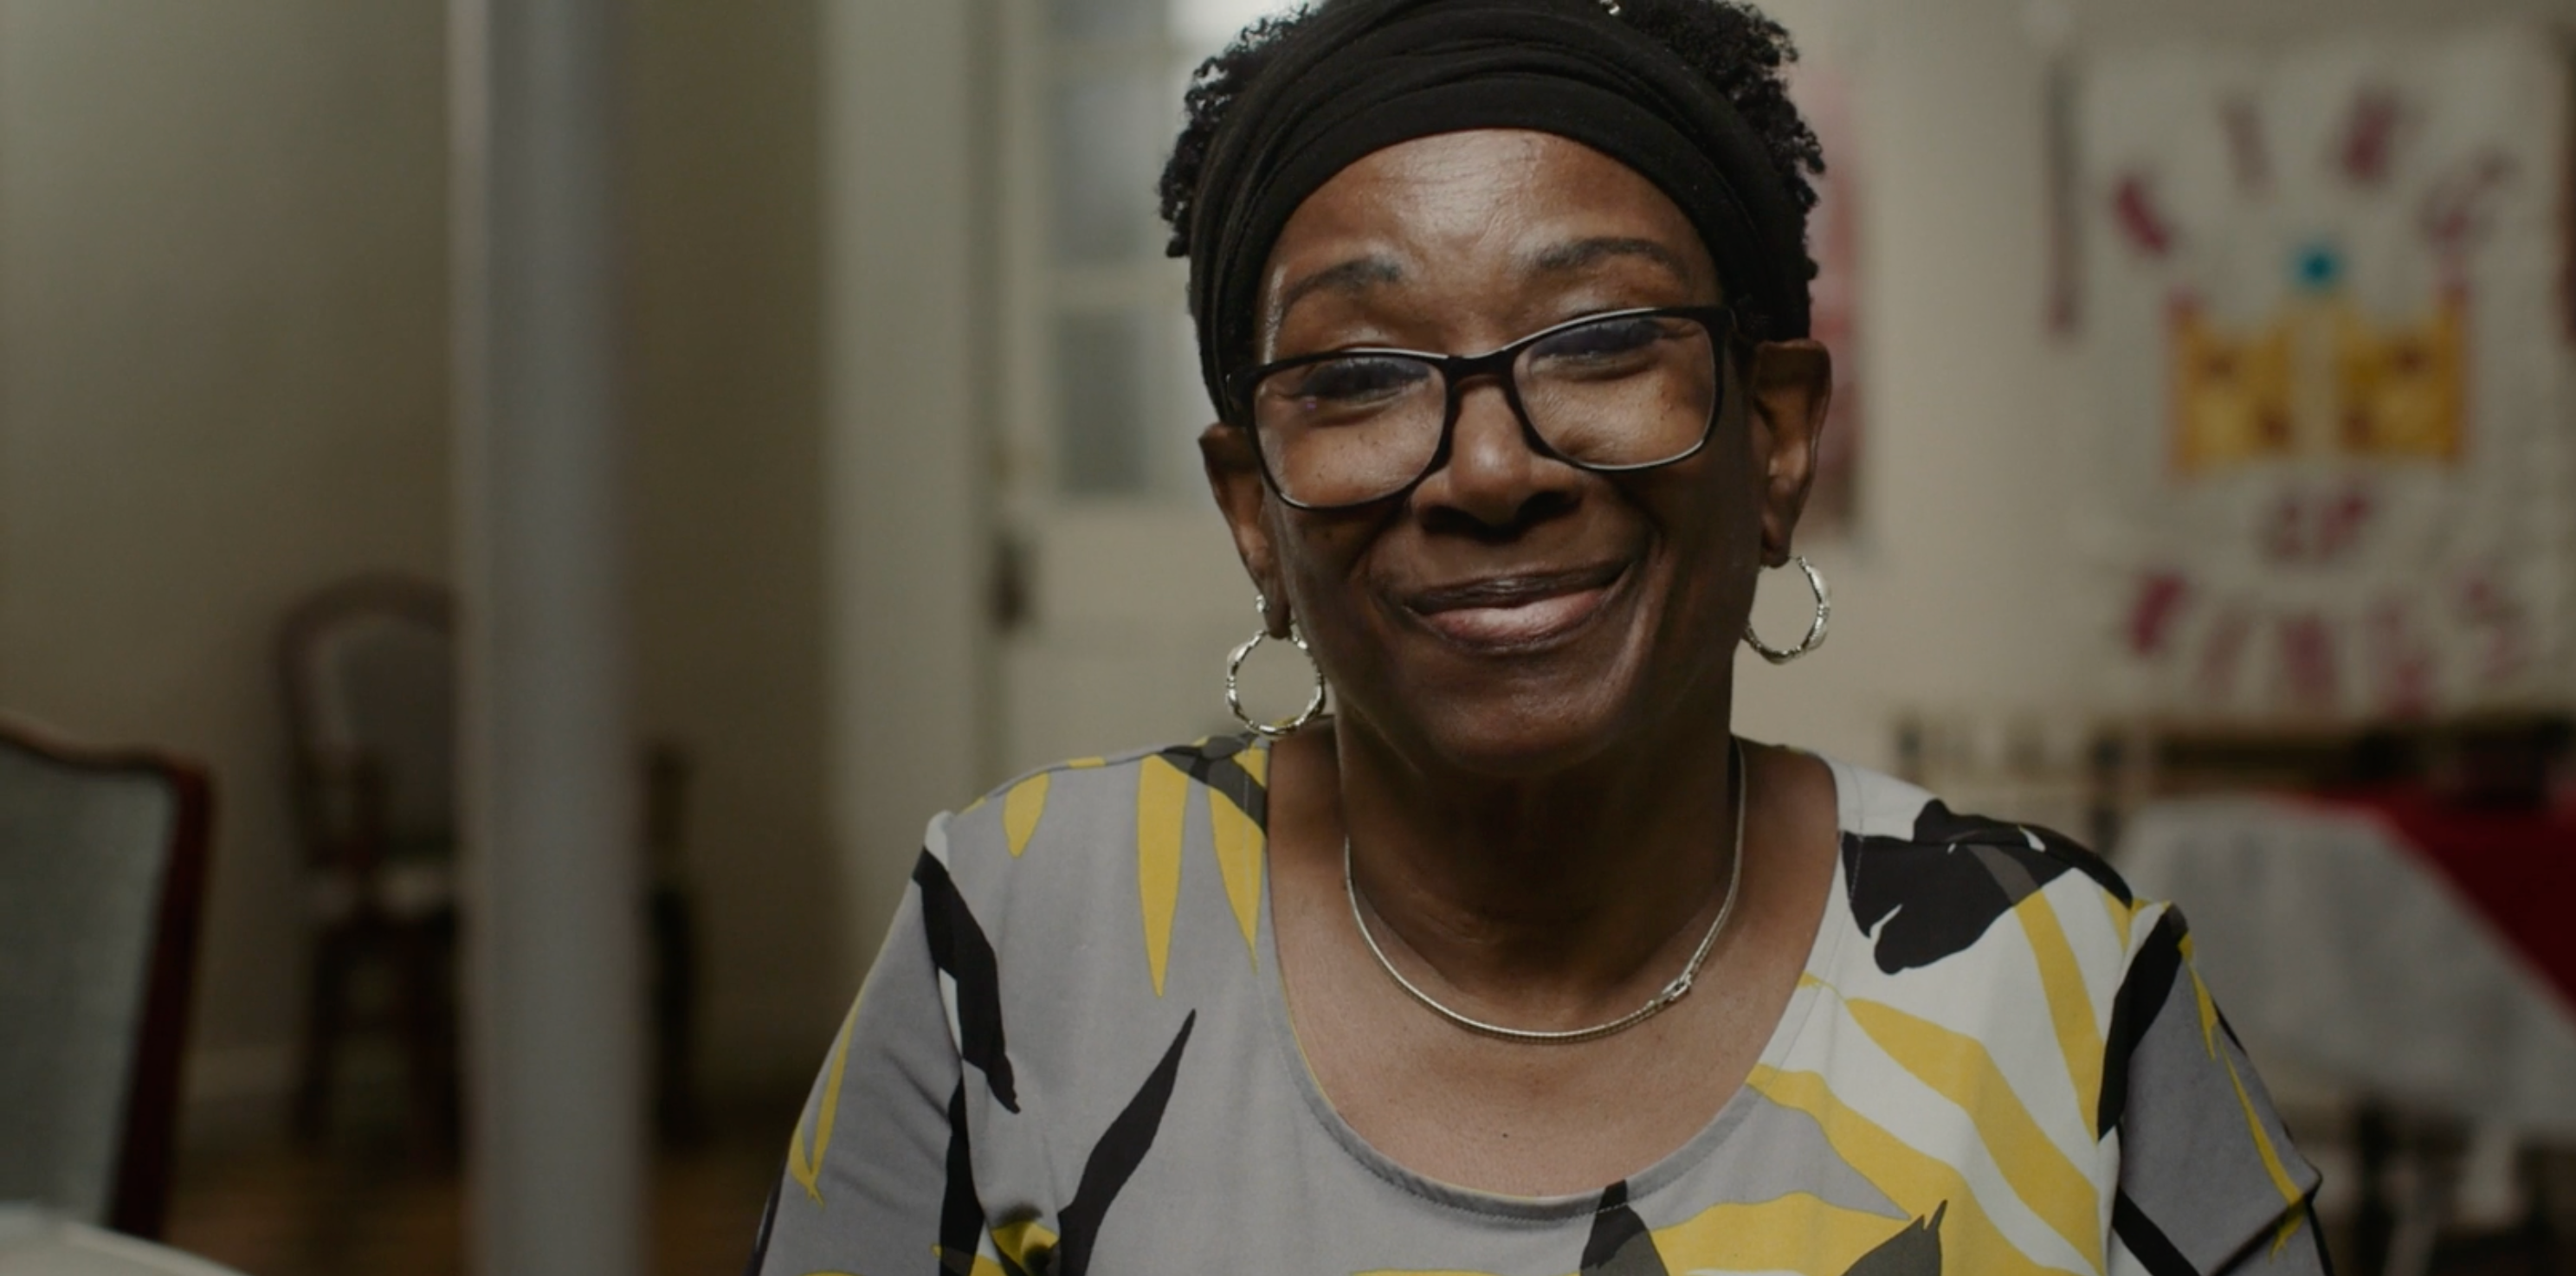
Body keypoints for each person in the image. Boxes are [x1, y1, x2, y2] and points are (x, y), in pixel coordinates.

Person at [748, 1, 2324, 1272]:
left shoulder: (2057, 986)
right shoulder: (1026, 931)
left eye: (1605, 340)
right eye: (1358, 377)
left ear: (1776, 438)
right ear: (1254, 516)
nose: (1492, 469)